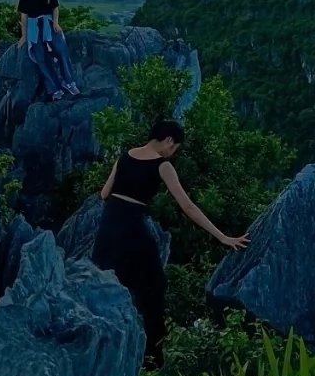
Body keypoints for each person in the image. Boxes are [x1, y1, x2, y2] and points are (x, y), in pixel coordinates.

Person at [93, 118, 248, 361]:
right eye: (174, 148)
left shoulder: (124, 156)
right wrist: (222, 236)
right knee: (154, 287)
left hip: (108, 227)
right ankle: (153, 357)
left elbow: (104, 194)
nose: (173, 153)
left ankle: (106, 350)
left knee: (106, 288)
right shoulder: (162, 165)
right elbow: (187, 205)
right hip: (132, 228)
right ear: (168, 141)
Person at [17, 0, 80, 100]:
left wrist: (56, 23)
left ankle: (69, 82)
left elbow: (55, 7)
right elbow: (24, 15)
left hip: (48, 23)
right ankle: (54, 88)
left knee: (61, 49)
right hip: (33, 26)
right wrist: (24, 35)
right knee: (41, 58)